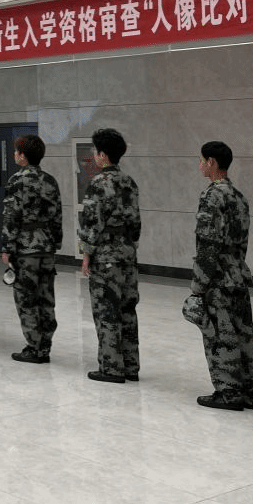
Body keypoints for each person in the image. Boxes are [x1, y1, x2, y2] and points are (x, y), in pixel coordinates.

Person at [189, 141, 253, 410]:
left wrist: (198, 287)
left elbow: (207, 246)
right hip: (238, 274)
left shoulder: (212, 196)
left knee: (220, 335)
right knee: (243, 334)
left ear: (211, 162)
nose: (199, 165)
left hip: (217, 279)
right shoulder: (238, 196)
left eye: (201, 160)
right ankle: (248, 389)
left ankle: (228, 392)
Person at [78, 127, 141, 383]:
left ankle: (112, 368)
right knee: (127, 310)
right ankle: (131, 365)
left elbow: (92, 223)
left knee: (107, 311)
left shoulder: (98, 184)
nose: (94, 155)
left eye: (96, 151)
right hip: (128, 255)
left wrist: (86, 254)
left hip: (106, 257)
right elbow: (136, 224)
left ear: (103, 155)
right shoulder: (130, 183)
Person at [1, 134, 63, 363]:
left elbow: (11, 217)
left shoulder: (17, 181)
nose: (15, 154)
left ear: (23, 156)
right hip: (46, 248)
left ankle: (34, 347)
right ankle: (45, 345)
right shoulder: (50, 181)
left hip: (25, 249)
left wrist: (6, 247)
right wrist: (55, 242)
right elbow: (57, 215)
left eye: (17, 151)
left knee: (26, 299)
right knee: (46, 298)